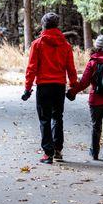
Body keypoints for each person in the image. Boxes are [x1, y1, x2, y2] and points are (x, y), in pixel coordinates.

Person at [21, 12, 78, 164]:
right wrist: (73, 87)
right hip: (59, 86)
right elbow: (71, 68)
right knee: (57, 117)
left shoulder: (38, 44)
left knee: (45, 119)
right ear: (57, 25)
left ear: (43, 25)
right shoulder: (65, 45)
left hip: (44, 86)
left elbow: (31, 68)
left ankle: (48, 153)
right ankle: (58, 149)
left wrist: (27, 88)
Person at [68, 35, 103, 166]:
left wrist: (72, 92)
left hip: (96, 100)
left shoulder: (93, 61)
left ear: (97, 46)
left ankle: (94, 152)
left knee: (96, 126)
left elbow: (83, 83)